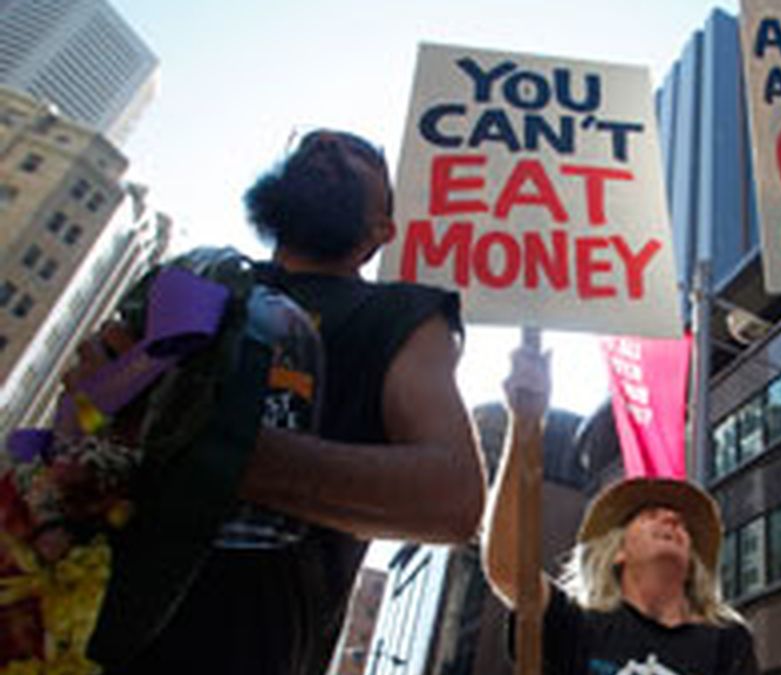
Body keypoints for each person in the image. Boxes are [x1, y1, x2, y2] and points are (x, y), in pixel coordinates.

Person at [81, 129, 486, 673]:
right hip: (73, 621)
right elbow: (89, 422)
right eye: (311, 145)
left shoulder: (403, 314)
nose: (324, 148)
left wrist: (199, 438)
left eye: (357, 154)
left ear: (381, 231)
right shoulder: (199, 278)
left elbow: (451, 499)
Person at [483, 346, 759, 675]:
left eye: (682, 523)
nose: (672, 519)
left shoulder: (727, 639)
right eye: (649, 514)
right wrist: (525, 426)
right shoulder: (576, 622)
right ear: (617, 552)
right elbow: (508, 569)